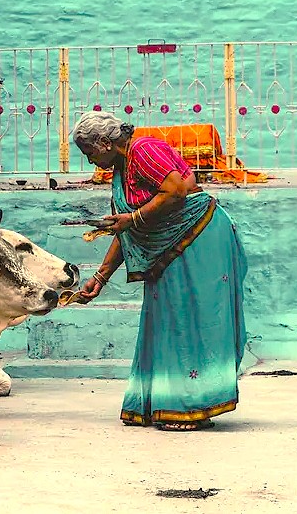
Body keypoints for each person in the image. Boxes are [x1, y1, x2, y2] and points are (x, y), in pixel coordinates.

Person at [73, 111, 248, 431]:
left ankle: (194, 405)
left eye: (89, 153)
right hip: (166, 246)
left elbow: (176, 191)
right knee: (165, 319)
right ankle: (165, 400)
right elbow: (125, 231)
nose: (90, 161)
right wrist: (99, 279)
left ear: (103, 142)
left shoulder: (143, 150)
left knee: (190, 319)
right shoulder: (120, 169)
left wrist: (134, 219)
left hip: (198, 234)